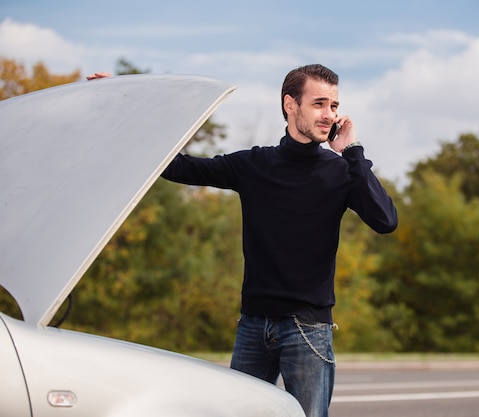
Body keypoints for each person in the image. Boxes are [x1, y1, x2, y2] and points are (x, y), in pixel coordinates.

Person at [88, 64, 397, 417]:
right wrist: (122, 108)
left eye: (334, 106)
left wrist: (352, 151)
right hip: (252, 325)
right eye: (319, 104)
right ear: (290, 104)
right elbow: (178, 167)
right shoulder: (254, 164)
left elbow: (386, 220)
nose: (329, 114)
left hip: (308, 330)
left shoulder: (342, 172)